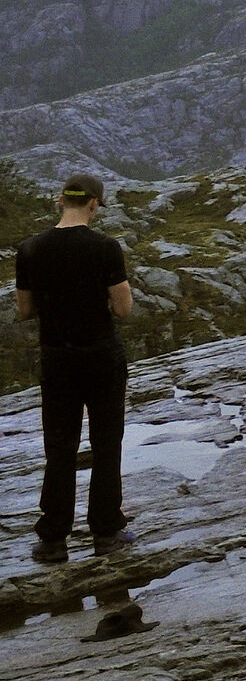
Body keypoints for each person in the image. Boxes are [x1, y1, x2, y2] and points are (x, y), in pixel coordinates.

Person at [14, 173, 135, 562]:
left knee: (60, 447)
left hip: (57, 358)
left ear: (59, 201)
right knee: (105, 444)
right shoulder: (106, 248)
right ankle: (106, 533)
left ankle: (52, 539)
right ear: (94, 204)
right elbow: (123, 308)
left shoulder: (30, 249)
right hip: (101, 356)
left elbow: (25, 309)